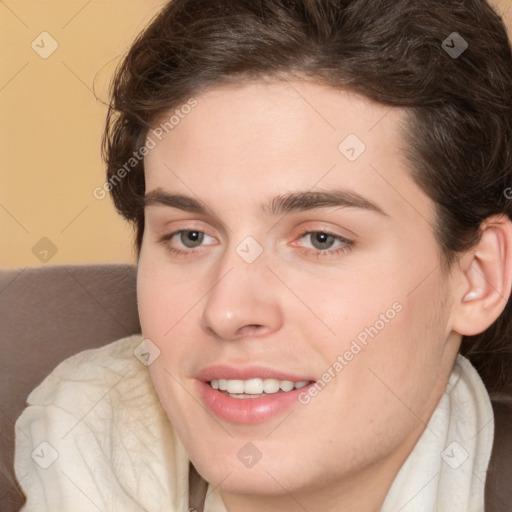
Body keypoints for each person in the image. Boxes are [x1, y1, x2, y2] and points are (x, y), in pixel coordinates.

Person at [14, 0, 512, 510]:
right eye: (190, 236)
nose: (227, 310)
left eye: (321, 238)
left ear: (478, 276)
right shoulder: (59, 441)